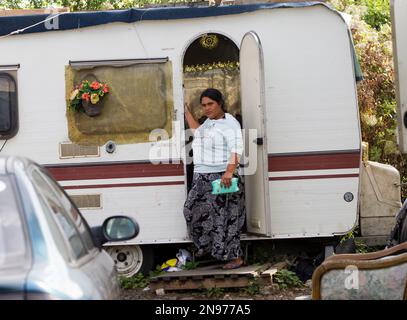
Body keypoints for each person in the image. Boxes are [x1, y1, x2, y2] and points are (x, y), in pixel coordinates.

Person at [183, 88, 246, 270]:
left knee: (227, 217)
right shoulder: (209, 123)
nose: (207, 108)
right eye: (203, 105)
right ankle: (214, 250)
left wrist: (229, 172)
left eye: (211, 104)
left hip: (222, 176)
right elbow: (197, 133)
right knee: (191, 210)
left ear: (220, 103)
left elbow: (237, 148)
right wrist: (186, 111)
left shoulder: (229, 123)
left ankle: (236, 257)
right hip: (202, 176)